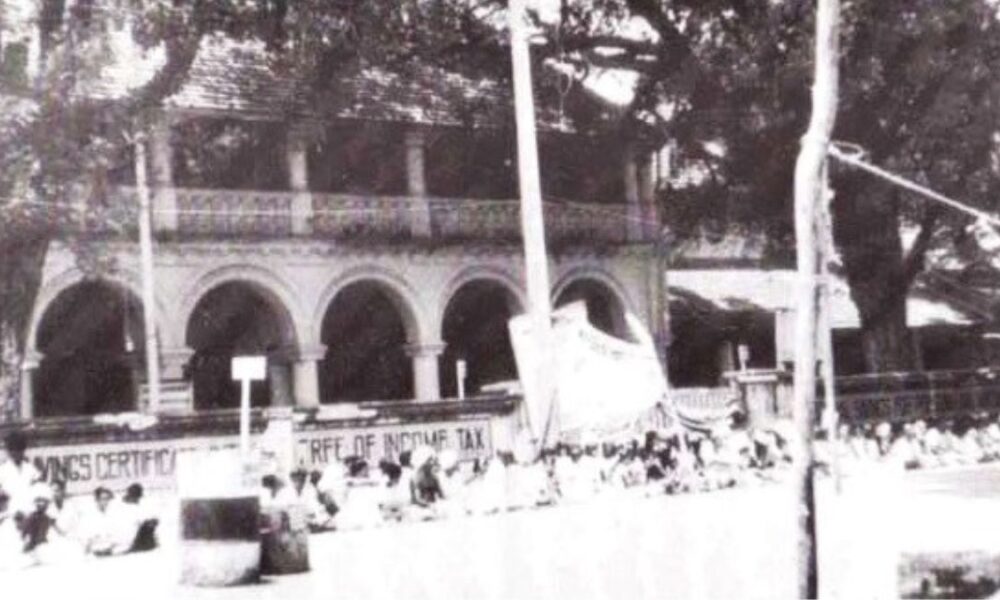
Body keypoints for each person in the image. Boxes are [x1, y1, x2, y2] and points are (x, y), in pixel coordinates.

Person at [78, 487, 131, 557]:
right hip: (95, 553)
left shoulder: (112, 514)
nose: (106, 502)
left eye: (107, 499)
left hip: (110, 551)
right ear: (97, 500)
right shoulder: (89, 516)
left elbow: (118, 534)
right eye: (103, 499)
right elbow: (86, 538)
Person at [0, 431, 42, 514]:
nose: (16, 453)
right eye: (13, 450)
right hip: (10, 514)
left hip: (30, 512)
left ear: (23, 451)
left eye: (19, 450)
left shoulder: (31, 469)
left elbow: (39, 490)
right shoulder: (2, 470)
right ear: (8, 451)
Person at [120, 483, 158, 552]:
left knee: (149, 524)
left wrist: (149, 522)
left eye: (136, 497)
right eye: (133, 497)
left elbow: (153, 519)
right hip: (129, 535)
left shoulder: (144, 504)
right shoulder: (124, 507)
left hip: (143, 535)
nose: (134, 499)